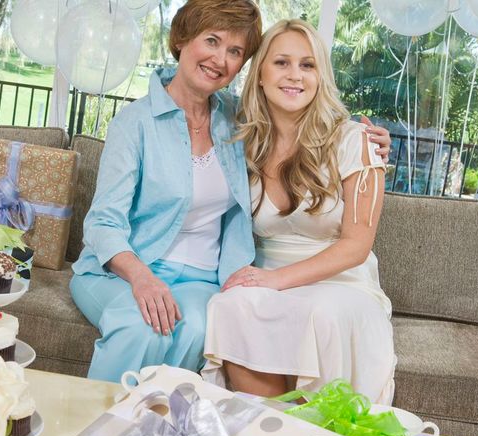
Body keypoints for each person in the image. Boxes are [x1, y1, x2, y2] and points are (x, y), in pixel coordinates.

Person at [71, 0, 392, 383]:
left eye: (235, 51)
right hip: (130, 268)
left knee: (196, 328)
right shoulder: (135, 123)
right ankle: (96, 430)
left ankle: (160, 432)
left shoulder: (236, 119)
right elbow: (104, 222)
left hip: (202, 277)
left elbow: (299, 108)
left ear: (244, 65)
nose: (220, 59)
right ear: (182, 39)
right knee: (140, 327)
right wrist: (141, 277)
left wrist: (370, 143)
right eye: (211, 40)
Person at [202, 19, 396, 404]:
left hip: (342, 283)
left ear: (321, 76)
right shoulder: (240, 141)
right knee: (230, 305)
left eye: (307, 65)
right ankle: (272, 432)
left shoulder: (356, 140)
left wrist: (275, 282)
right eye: (282, 63)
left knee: (318, 312)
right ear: (259, 75)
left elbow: (356, 246)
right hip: (269, 277)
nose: (295, 76)